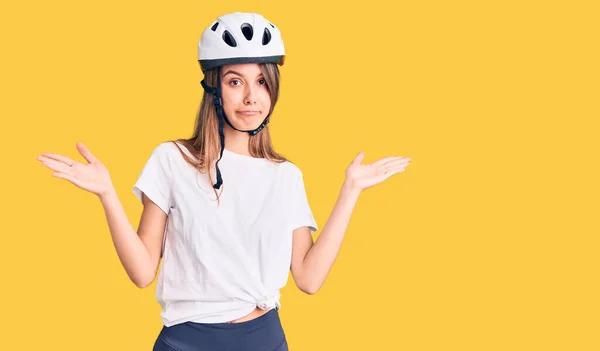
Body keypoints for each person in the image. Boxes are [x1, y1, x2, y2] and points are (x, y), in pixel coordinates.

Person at [36, 11, 412, 351]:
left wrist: (351, 192)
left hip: (263, 338)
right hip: (186, 341)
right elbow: (142, 272)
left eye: (262, 82)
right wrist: (107, 194)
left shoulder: (285, 176)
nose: (251, 97)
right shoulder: (172, 160)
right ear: (213, 88)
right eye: (236, 81)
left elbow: (309, 278)